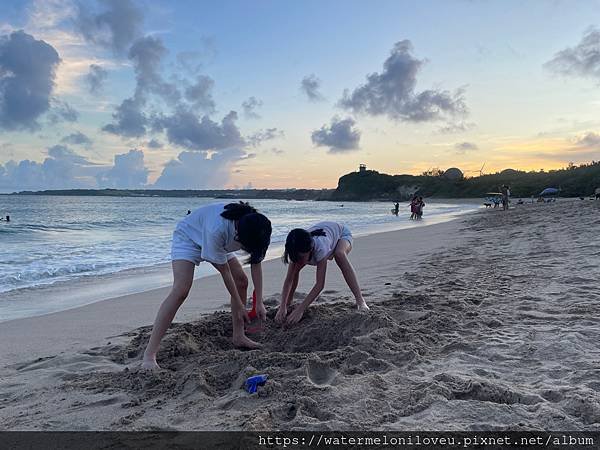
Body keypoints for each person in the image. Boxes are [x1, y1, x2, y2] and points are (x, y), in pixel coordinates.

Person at [142, 202, 272, 370]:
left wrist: (259, 301)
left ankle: (238, 336)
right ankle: (149, 355)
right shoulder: (217, 229)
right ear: (238, 235)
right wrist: (240, 306)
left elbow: (256, 262)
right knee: (181, 290)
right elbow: (226, 273)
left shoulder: (257, 227)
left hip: (219, 241)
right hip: (189, 237)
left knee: (242, 281)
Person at [275, 222, 369, 326]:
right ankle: (289, 301)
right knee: (295, 269)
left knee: (339, 254)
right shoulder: (295, 247)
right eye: (295, 258)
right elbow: (289, 279)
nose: (299, 261)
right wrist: (283, 305)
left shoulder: (320, 248)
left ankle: (360, 301)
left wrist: (300, 310)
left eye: (301, 257)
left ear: (310, 250)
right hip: (326, 235)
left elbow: (320, 285)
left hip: (342, 235)